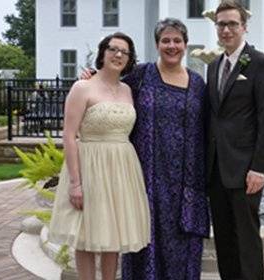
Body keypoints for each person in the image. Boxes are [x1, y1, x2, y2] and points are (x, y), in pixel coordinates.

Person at [82, 18, 209, 280]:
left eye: (177, 40)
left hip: (186, 182)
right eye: (165, 40)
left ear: (185, 45)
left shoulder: (197, 84)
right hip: (145, 177)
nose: (171, 45)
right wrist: (90, 78)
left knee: (183, 248)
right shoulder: (141, 75)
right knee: (144, 240)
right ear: (157, 45)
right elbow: (110, 86)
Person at [48, 32, 151, 280]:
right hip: (90, 165)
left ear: (129, 58)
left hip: (122, 168)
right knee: (86, 234)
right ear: (102, 53)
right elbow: (69, 136)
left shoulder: (128, 89)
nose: (118, 55)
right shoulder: (83, 87)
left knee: (112, 233)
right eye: (113, 49)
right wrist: (75, 182)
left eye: (124, 52)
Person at [206, 1, 264, 280]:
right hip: (216, 170)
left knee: (246, 239)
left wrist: (260, 168)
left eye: (232, 24)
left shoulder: (260, 63)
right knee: (224, 238)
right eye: (221, 24)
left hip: (246, 169)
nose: (226, 29)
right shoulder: (213, 66)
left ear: (244, 27)